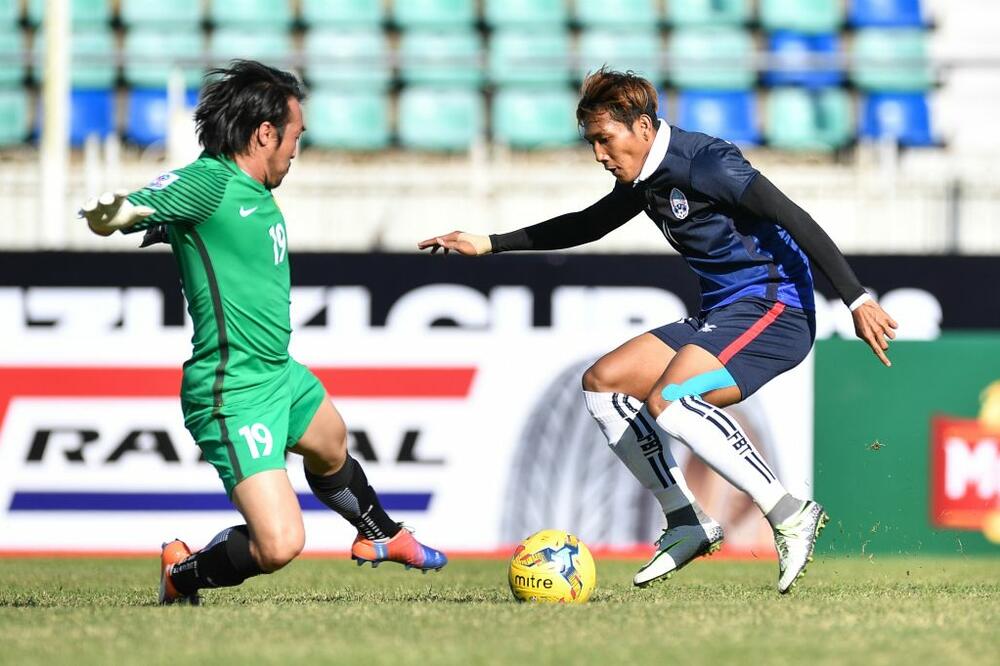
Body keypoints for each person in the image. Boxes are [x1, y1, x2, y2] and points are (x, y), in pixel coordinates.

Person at [418, 67, 897, 594]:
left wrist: (856, 297)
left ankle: (788, 512)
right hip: (723, 312)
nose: (599, 154)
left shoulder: (706, 162)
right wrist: (490, 242)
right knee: (604, 382)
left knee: (672, 400)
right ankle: (687, 520)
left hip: (773, 309)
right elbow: (587, 222)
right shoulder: (644, 178)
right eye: (592, 142)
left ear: (643, 127)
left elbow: (794, 217)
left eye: (605, 139)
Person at [80, 60, 446, 605]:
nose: (298, 149)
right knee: (279, 544)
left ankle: (381, 535)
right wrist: (119, 213)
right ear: (265, 133)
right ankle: (181, 575)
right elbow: (147, 200)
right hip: (234, 391)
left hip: (279, 374)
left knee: (330, 443)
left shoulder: (250, 187)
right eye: (296, 135)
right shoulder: (210, 181)